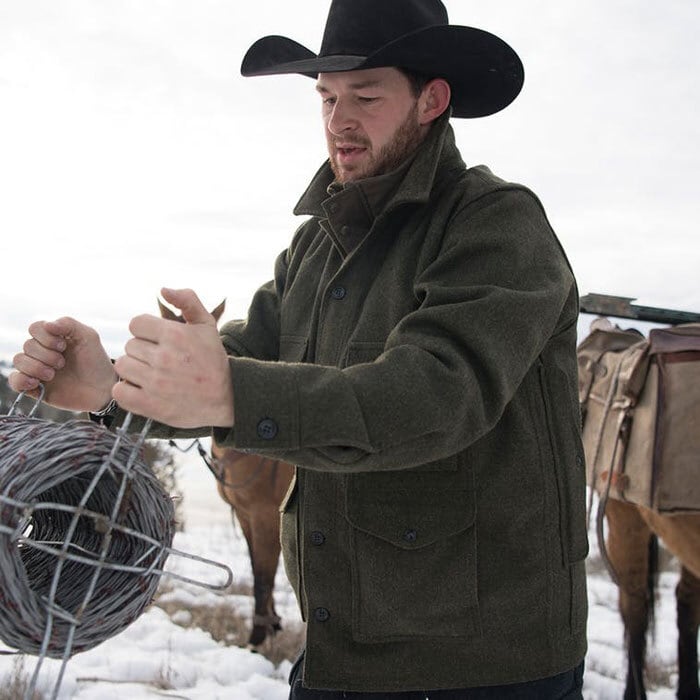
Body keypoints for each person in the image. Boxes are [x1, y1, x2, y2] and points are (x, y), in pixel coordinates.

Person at [10, 0, 588, 697]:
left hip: (486, 667)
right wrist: (109, 388)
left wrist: (230, 391)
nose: (340, 120)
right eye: (327, 97)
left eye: (367, 96)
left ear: (432, 100)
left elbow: (436, 396)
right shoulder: (316, 245)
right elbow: (238, 359)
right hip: (341, 651)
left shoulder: (496, 224)